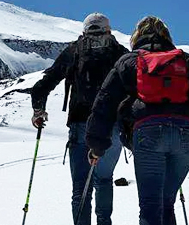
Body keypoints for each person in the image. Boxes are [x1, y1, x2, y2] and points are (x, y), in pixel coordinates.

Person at [85, 16, 189, 225]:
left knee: (150, 205)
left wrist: (97, 146)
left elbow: (104, 104)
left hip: (148, 133)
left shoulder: (129, 62)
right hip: (186, 135)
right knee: (166, 202)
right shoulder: (185, 60)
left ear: (137, 36)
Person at [31, 12, 128, 225]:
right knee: (103, 180)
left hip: (80, 123)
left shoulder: (75, 51)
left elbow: (45, 83)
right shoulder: (119, 52)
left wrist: (38, 110)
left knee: (80, 187)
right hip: (111, 127)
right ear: (109, 30)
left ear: (83, 31)